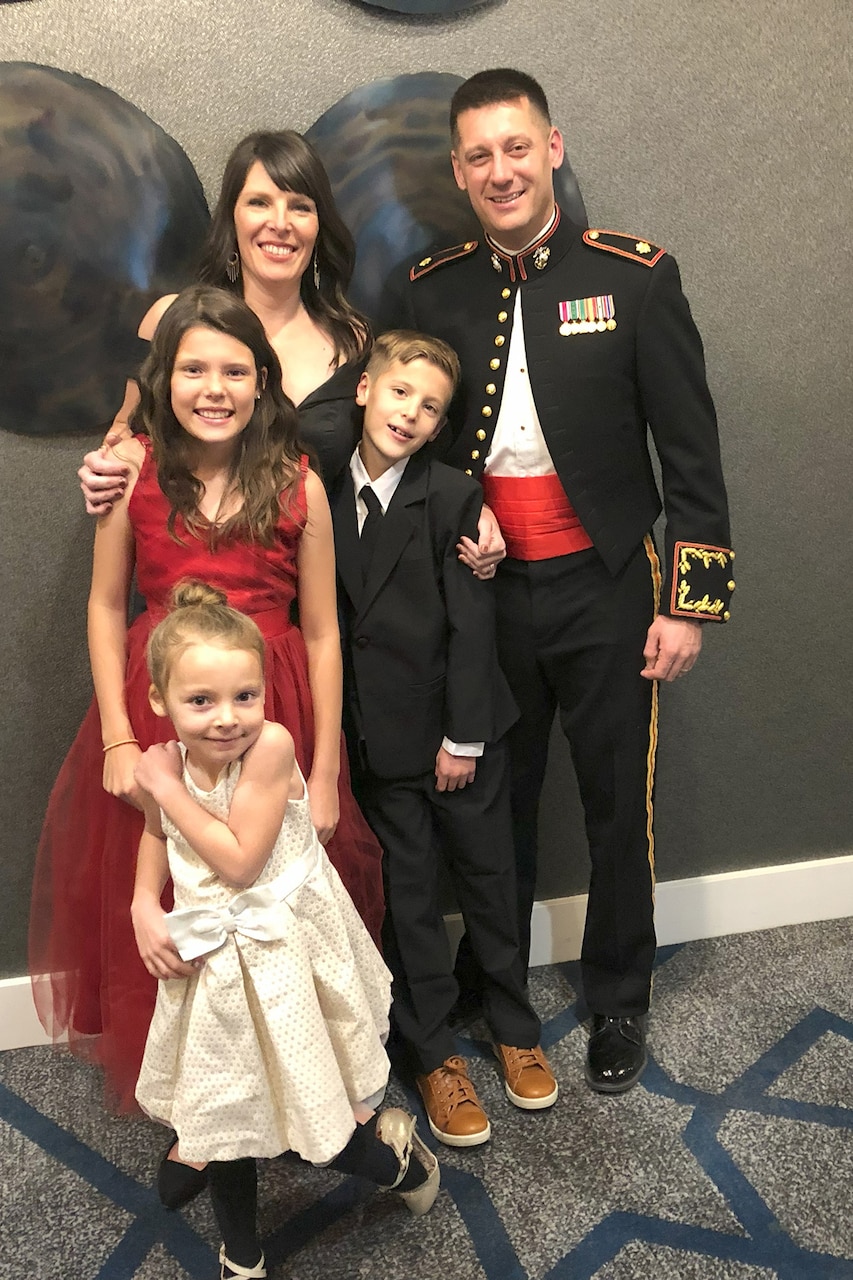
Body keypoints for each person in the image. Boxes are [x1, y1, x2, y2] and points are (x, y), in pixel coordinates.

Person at [380, 69, 735, 1094]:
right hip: (485, 594)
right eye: (479, 155)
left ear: (553, 147)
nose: (500, 169)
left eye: (516, 147)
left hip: (609, 586)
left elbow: (692, 455)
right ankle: (497, 988)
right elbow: (413, 438)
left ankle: (620, 988)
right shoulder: (430, 287)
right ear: (458, 169)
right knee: (497, 802)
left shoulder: (634, 275)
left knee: (617, 801)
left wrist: (688, 603)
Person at [29, 286, 384, 1150]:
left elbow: (325, 631)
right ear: (166, 379)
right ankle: (197, 1095)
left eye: (234, 370)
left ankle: (296, 1078)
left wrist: (326, 770)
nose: (213, 388)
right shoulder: (135, 473)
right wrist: (119, 735)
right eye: (193, 369)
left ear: (263, 383)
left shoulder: (299, 482)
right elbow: (106, 606)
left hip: (275, 708)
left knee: (277, 901)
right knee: (174, 898)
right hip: (160, 714)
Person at [132, 582, 438, 1280]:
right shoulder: (167, 763)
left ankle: (393, 1158)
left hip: (281, 954)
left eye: (245, 695)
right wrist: (142, 906)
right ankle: (241, 1251)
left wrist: (165, 785)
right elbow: (157, 833)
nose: (226, 718)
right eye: (200, 701)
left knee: (315, 1117)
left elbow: (239, 862)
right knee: (230, 1108)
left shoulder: (268, 748)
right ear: (160, 701)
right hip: (214, 954)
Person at [77, 129, 504, 572]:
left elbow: (401, 459)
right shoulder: (171, 322)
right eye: (259, 202)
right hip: (190, 600)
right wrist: (101, 473)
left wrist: (472, 509)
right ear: (232, 217)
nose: (280, 222)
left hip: (318, 597)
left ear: (319, 227)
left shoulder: (354, 339)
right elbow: (123, 442)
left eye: (300, 206)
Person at [330, 330, 557, 1146]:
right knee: (412, 901)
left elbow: (471, 624)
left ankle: (513, 1024)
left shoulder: (456, 496)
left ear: (438, 427)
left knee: (491, 880)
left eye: (429, 408)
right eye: (398, 394)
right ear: (364, 390)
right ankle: (432, 1054)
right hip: (378, 746)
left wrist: (462, 737)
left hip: (462, 733)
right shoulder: (316, 491)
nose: (409, 413)